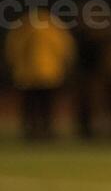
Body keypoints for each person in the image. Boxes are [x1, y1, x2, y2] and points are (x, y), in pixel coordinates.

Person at [5, 8, 75, 140]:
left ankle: (31, 130)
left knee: (31, 104)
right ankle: (46, 129)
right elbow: (65, 48)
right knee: (46, 104)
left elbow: (13, 49)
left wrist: (16, 66)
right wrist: (65, 66)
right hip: (49, 73)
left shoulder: (23, 26)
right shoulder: (54, 27)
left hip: (27, 74)